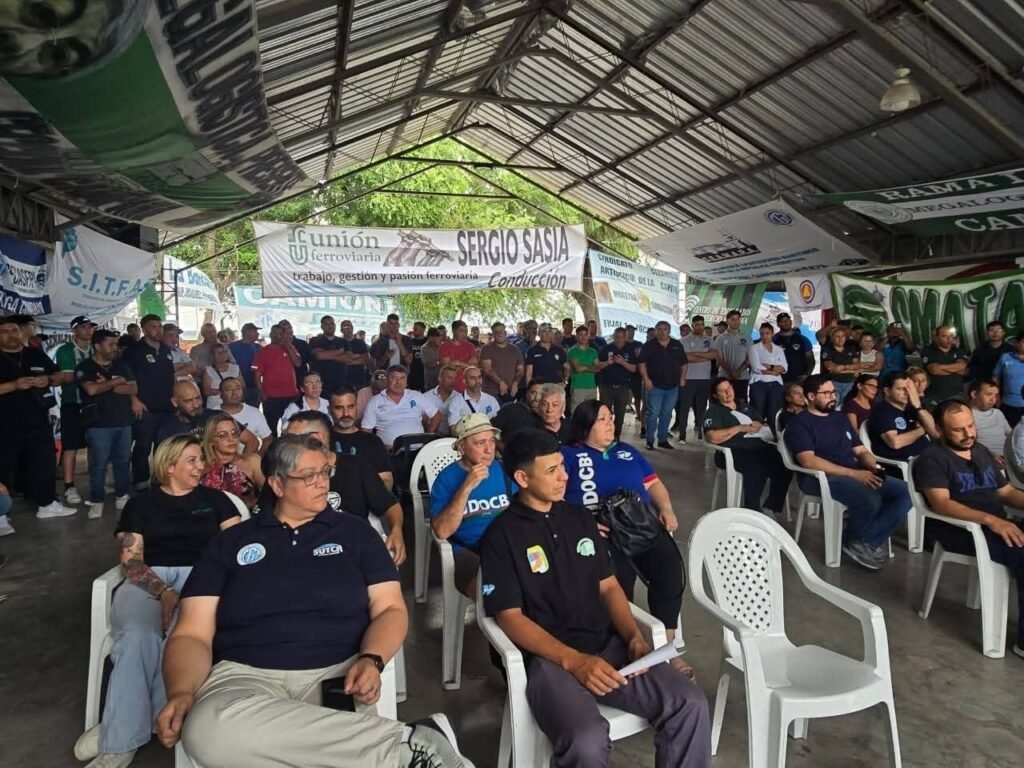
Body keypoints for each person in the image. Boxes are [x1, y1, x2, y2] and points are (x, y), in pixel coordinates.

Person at [154, 435, 474, 767]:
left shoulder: (356, 534)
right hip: (246, 676)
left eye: (325, 472)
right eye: (309, 476)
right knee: (206, 731)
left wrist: (372, 659)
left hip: (337, 671)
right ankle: (405, 745)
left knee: (233, 742)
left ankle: (396, 747)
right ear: (277, 484)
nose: (322, 483)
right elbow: (191, 633)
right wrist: (181, 692)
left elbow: (391, 609)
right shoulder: (230, 543)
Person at [479, 429, 712, 768]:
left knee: (689, 704)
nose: (564, 477)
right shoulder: (501, 536)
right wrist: (574, 661)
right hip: (548, 661)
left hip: (608, 646)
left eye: (562, 466)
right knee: (585, 740)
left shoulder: (579, 519)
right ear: (522, 478)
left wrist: (633, 637)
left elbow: (609, 586)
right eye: (552, 471)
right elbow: (509, 616)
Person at [73, 435, 241, 768]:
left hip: (202, 579)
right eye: (191, 460)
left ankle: (121, 726)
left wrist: (207, 585)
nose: (200, 466)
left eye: (200, 459)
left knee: (181, 640)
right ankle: (121, 742)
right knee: (138, 636)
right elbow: (131, 562)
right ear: (169, 466)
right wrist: (164, 591)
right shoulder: (141, 505)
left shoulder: (217, 500)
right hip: (147, 578)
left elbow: (235, 549)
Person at [561, 401, 690, 660]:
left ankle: (666, 649)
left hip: (640, 524)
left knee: (670, 573)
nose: (611, 424)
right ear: (585, 426)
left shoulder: (626, 451)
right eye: (602, 420)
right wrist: (581, 524)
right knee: (618, 584)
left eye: (611, 418)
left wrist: (666, 508)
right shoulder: (568, 455)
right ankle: (626, 643)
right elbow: (554, 498)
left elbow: (653, 484)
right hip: (601, 532)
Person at [913, 400, 1024, 660]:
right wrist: (990, 520)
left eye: (971, 426)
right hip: (961, 532)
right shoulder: (932, 459)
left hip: (994, 525)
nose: (968, 434)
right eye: (958, 430)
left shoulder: (980, 451)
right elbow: (941, 504)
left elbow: (1006, 492)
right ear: (939, 429)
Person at [784, 375, 912, 570]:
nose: (832, 397)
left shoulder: (839, 418)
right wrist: (853, 474)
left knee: (906, 492)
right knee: (870, 498)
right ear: (810, 396)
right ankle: (858, 542)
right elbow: (808, 461)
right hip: (820, 478)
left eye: (833, 392)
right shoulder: (800, 423)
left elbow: (860, 450)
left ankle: (864, 542)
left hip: (853, 472)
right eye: (826, 393)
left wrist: (872, 466)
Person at [284, 412, 405, 565]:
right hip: (301, 551)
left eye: (292, 439)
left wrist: (396, 531)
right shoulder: (283, 473)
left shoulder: (356, 466)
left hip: (353, 550)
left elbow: (389, 504)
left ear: (317, 438)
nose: (285, 446)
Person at [0, 315, 76, 519]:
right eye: (4, 332)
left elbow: (60, 376)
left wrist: (48, 379)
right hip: (5, 423)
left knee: (43, 462)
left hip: (37, 420)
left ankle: (46, 503)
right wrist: (13, 386)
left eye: (14, 330)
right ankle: (1, 515)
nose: (10, 335)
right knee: (4, 466)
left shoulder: (34, 354)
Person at [429, 414, 509, 596]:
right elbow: (442, 531)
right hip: (467, 550)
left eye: (491, 441)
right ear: (462, 448)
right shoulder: (447, 478)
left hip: (506, 545)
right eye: (480, 443)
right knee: (495, 594)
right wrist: (466, 487)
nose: (489, 450)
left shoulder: (503, 471)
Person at [703, 378, 791, 519]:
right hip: (733, 451)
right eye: (722, 391)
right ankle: (751, 509)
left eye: (729, 388)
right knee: (756, 466)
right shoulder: (714, 412)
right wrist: (740, 428)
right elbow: (712, 437)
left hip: (759, 446)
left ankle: (771, 506)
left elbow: (761, 423)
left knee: (784, 464)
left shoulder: (746, 407)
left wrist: (759, 425)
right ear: (715, 395)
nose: (728, 392)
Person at [77, 329, 138, 519]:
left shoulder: (121, 364)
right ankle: (97, 500)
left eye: (116, 344)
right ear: (97, 346)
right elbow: (91, 390)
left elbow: (133, 388)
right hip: (98, 424)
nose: (115, 347)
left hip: (123, 421)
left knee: (123, 461)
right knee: (99, 464)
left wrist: (107, 385)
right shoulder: (86, 366)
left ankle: (122, 494)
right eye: (110, 344)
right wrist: (116, 382)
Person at [123, 314, 176, 491]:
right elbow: (126, 379)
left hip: (167, 406)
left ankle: (159, 478)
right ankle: (140, 479)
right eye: (153, 326)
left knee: (164, 446)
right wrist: (133, 400)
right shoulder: (134, 351)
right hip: (145, 406)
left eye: (160, 326)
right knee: (143, 446)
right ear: (144, 329)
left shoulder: (165, 349)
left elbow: (171, 376)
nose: (158, 330)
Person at [55, 314, 96, 506]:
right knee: (70, 446)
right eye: (84, 327)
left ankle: (96, 480)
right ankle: (69, 486)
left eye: (91, 327)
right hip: (72, 403)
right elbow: (69, 377)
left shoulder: (96, 347)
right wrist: (92, 377)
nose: (89, 330)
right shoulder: (65, 350)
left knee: (96, 443)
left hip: (94, 403)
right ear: (74, 330)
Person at [156, 381, 259, 453]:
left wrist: (239, 469)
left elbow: (252, 441)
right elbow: (163, 465)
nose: (196, 405)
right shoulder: (168, 430)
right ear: (175, 402)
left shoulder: (218, 416)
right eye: (188, 401)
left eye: (198, 398)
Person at [329, 387, 394, 491]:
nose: (346, 414)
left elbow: (386, 480)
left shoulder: (373, 441)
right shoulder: (322, 440)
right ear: (329, 410)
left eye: (350, 407)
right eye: (339, 408)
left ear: (357, 407)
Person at [361, 365, 441, 448]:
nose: (398, 382)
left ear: (406, 381)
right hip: (388, 451)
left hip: (418, 450)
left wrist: (427, 438)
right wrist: (379, 447)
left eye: (402, 378)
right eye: (394, 378)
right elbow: (366, 430)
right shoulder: (375, 401)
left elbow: (436, 415)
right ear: (387, 380)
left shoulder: (416, 396)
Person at [867, 372, 935, 465]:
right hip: (905, 462)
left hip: (927, 456)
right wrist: (922, 430)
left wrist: (918, 405)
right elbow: (895, 443)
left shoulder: (913, 406)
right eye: (901, 389)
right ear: (887, 391)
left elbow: (934, 431)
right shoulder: (882, 410)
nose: (907, 393)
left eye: (909, 389)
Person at [638, 320, 687, 450]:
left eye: (664, 329)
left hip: (673, 386)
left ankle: (662, 439)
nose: (661, 331)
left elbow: (683, 363)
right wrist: (646, 379)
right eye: (659, 329)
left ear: (669, 331)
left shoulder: (677, 345)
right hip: (654, 386)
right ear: (655, 331)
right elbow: (641, 363)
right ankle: (650, 440)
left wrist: (682, 378)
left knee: (667, 413)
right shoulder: (649, 346)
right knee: (653, 413)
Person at [200, 414, 264, 511]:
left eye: (234, 433)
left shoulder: (252, 461)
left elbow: (269, 496)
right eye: (223, 435)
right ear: (211, 440)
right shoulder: (200, 467)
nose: (231, 439)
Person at [253, 324, 300, 436]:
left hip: (290, 395)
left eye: (280, 333)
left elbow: (298, 363)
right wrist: (261, 393)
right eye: (274, 333)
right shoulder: (263, 352)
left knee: (290, 426)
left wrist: (287, 345)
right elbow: (257, 375)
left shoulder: (290, 348)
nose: (277, 335)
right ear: (270, 334)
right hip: (271, 396)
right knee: (271, 427)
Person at [675, 316, 715, 442]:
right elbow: (686, 358)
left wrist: (696, 353)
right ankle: (682, 435)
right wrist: (705, 356)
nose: (699, 327)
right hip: (688, 379)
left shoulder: (709, 340)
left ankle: (701, 432)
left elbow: (714, 355)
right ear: (692, 325)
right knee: (685, 407)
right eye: (697, 324)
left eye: (701, 324)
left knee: (702, 407)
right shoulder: (684, 341)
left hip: (705, 379)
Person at [597, 327, 640, 441]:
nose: (619, 339)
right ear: (613, 336)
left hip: (623, 387)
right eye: (617, 337)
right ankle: (605, 436)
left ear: (625, 337)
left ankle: (616, 437)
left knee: (620, 413)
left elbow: (635, 369)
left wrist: (623, 362)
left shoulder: (631, 349)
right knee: (605, 412)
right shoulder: (606, 348)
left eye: (621, 337)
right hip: (606, 385)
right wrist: (607, 362)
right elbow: (597, 366)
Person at [746, 322, 787, 433]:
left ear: (772, 333)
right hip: (759, 383)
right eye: (762, 334)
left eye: (767, 333)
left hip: (776, 384)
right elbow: (756, 367)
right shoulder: (754, 348)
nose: (764, 336)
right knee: (758, 410)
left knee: (774, 411)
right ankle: (757, 435)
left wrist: (769, 366)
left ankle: (774, 434)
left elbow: (784, 367)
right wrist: (774, 371)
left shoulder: (778, 349)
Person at [217, 377, 273, 455]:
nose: (234, 393)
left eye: (238, 389)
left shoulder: (255, 413)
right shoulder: (213, 414)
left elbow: (267, 439)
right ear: (220, 394)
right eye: (228, 389)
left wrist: (257, 458)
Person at [479, 322, 524, 404]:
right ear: (493, 334)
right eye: (496, 332)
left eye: (501, 331)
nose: (499, 334)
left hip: (510, 392)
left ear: (505, 333)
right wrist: (500, 382)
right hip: (491, 392)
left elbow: (520, 370)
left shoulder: (515, 349)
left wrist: (516, 382)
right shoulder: (486, 348)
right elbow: (487, 369)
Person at [921, 325, 968, 403]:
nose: (949, 339)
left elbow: (964, 369)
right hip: (935, 396)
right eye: (944, 336)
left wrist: (941, 367)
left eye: (951, 336)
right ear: (936, 338)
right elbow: (934, 370)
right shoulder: (928, 350)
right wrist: (956, 369)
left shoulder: (958, 350)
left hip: (957, 395)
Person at [711, 309, 749, 404]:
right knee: (724, 404)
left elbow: (749, 358)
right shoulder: (720, 338)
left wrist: (738, 371)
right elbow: (718, 358)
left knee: (741, 405)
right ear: (727, 321)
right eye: (733, 319)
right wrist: (731, 371)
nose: (736, 322)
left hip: (742, 377)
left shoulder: (747, 338)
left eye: (738, 319)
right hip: (725, 377)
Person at [969, 379, 1011, 465]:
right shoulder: (967, 415)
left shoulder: (998, 413)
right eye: (989, 394)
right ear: (974, 394)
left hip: (1009, 457)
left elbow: (1011, 435)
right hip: (986, 460)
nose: (993, 400)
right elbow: (968, 444)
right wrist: (989, 455)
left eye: (996, 395)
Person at [492, 378, 546, 442]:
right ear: (527, 393)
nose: (537, 398)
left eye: (541, 394)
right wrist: (502, 446)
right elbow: (490, 432)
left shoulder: (547, 415)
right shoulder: (510, 409)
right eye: (533, 393)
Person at [309, 315, 349, 394]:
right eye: (326, 324)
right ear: (322, 327)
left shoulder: (343, 341)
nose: (330, 326)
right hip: (320, 383)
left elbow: (348, 358)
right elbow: (319, 356)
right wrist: (339, 352)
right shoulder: (315, 340)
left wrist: (326, 354)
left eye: (332, 323)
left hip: (339, 382)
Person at [820, 325, 858, 405]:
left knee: (846, 407)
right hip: (833, 383)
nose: (840, 338)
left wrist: (842, 368)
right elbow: (831, 367)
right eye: (837, 336)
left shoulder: (851, 348)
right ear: (832, 338)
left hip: (849, 383)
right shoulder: (828, 349)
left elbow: (857, 365)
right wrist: (850, 369)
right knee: (832, 405)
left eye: (842, 336)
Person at [992, 333, 1024, 427]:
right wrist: (997, 397)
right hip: (1009, 404)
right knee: (1009, 431)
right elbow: (995, 377)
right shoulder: (1006, 357)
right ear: (1017, 343)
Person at [439, 320, 479, 393]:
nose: (464, 334)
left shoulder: (470, 346)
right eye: (461, 331)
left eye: (466, 331)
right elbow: (447, 367)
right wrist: (466, 365)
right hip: (450, 387)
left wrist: (458, 363)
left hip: (467, 387)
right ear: (454, 331)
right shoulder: (444, 346)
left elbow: (474, 367)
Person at [228, 323, 262, 406]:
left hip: (254, 386)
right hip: (236, 387)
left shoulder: (258, 347)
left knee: (253, 410)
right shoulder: (232, 347)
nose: (258, 334)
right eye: (255, 331)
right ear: (248, 332)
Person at [774, 312, 814, 383]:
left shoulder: (802, 339)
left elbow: (810, 359)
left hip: (799, 379)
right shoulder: (774, 340)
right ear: (778, 324)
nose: (786, 322)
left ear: (791, 321)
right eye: (782, 321)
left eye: (787, 320)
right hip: (780, 380)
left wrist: (806, 375)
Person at [567, 325, 599, 410]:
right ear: (576, 336)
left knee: (591, 412)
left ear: (588, 336)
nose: (583, 337)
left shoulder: (593, 351)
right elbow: (578, 369)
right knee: (577, 412)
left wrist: (584, 367)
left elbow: (598, 368)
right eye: (581, 335)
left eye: (585, 335)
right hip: (578, 387)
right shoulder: (572, 351)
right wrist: (591, 367)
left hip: (592, 386)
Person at [425, 364, 462, 437]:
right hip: (431, 437)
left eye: (454, 378)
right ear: (440, 379)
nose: (453, 381)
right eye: (449, 378)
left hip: (452, 438)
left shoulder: (459, 398)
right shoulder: (426, 397)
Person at [201, 343, 239, 411]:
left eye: (224, 352)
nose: (223, 354)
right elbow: (207, 391)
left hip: (234, 406)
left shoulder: (235, 368)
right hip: (215, 407)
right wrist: (225, 390)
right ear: (213, 356)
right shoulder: (208, 370)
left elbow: (242, 386)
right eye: (219, 353)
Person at [339, 319, 371, 392]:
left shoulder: (360, 343)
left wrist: (348, 360)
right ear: (341, 330)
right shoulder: (338, 342)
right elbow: (338, 359)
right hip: (343, 379)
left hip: (359, 378)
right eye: (345, 326)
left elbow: (366, 359)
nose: (348, 328)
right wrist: (358, 356)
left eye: (350, 326)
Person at [279, 319, 312, 387]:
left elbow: (307, 362)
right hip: (282, 381)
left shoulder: (302, 344)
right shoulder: (277, 346)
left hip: (300, 380)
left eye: (289, 327)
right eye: (284, 329)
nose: (287, 331)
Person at [407, 322, 429, 391]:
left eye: (416, 328)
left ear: (423, 329)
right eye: (414, 328)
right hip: (412, 374)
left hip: (425, 374)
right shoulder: (410, 342)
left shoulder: (428, 342)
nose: (414, 329)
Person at [420, 328, 443, 392]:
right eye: (437, 336)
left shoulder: (442, 346)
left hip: (442, 382)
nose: (440, 338)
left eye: (440, 336)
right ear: (430, 338)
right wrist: (441, 362)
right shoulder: (424, 348)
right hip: (431, 382)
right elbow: (429, 364)